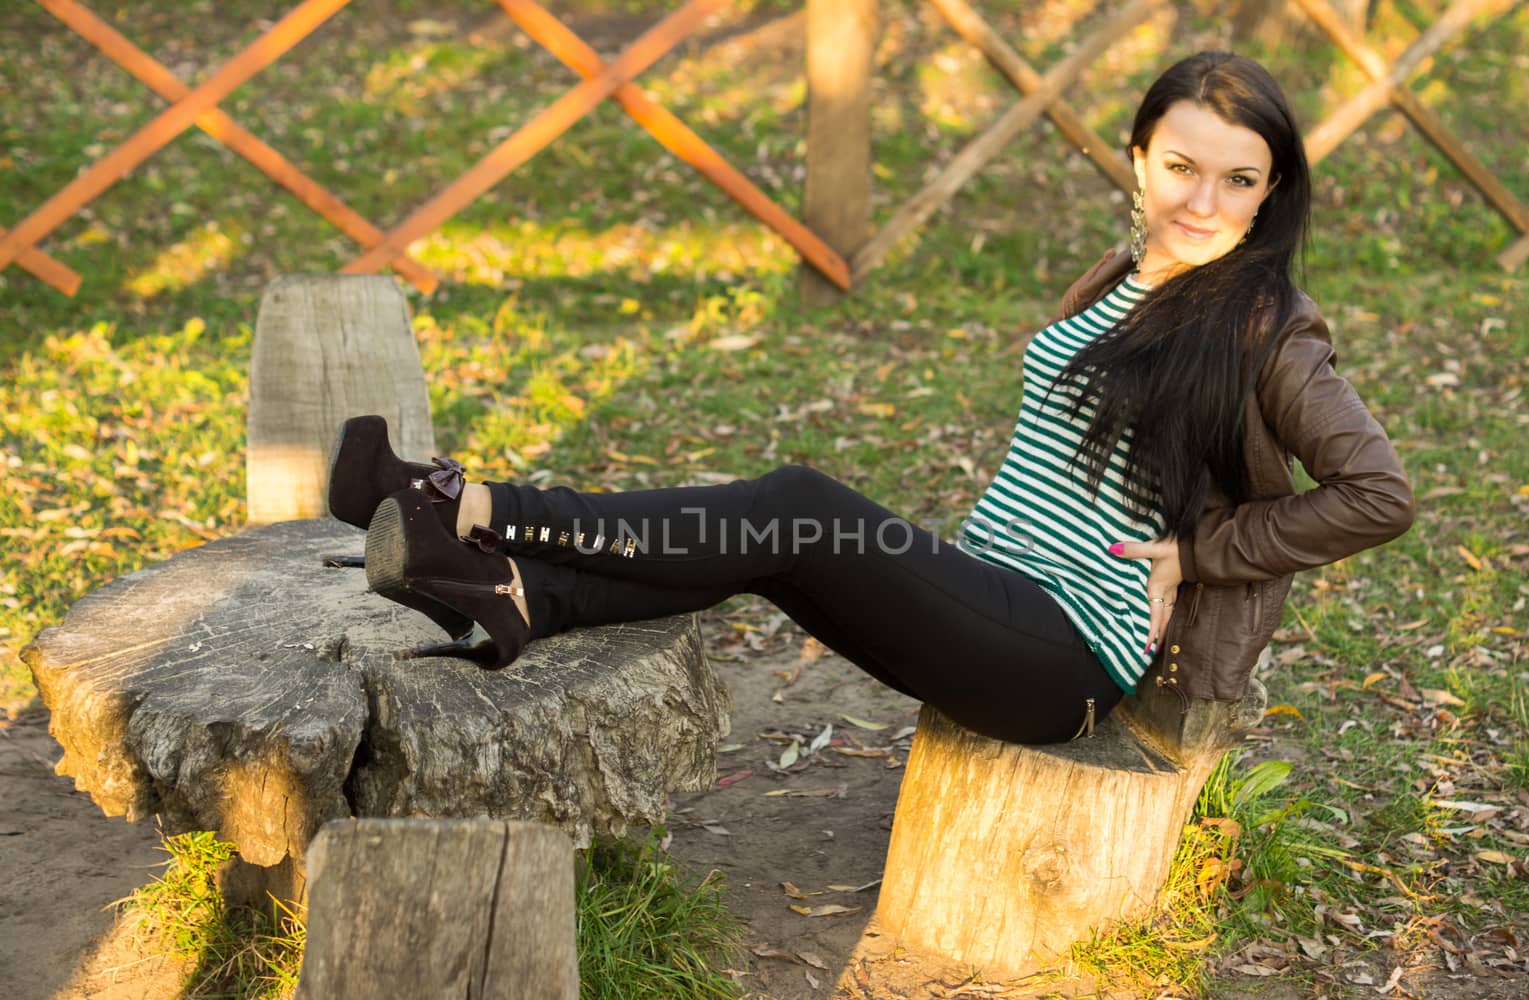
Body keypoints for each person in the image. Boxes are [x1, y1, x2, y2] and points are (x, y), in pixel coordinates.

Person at [326, 51, 1414, 747]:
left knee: (793, 502)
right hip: (995, 590)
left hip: (1063, 653)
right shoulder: (1120, 278)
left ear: (1271, 192)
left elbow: (1377, 493)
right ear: (1135, 159)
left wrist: (1198, 556)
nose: (1204, 200)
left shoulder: (1268, 324)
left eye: (1238, 180)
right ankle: (521, 592)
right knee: (773, 544)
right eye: (1181, 166)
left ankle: (467, 504)